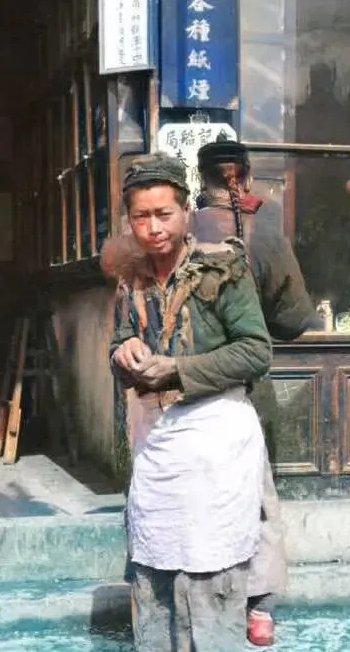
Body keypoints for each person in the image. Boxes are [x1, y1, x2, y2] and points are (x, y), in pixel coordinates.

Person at [103, 152, 272, 651]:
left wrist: (177, 370)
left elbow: (256, 351)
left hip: (216, 440)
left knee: (212, 570)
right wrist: (124, 352)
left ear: (186, 212)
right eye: (141, 216)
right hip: (157, 444)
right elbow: (119, 342)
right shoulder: (131, 278)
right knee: (155, 567)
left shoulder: (222, 268)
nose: (153, 228)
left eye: (164, 214)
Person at [192, 139, 318, 647]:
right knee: (256, 495)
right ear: (243, 176)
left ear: (198, 179)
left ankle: (203, 599)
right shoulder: (263, 231)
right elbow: (295, 319)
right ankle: (258, 607)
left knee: (198, 494)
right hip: (246, 386)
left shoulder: (181, 231)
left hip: (184, 387)